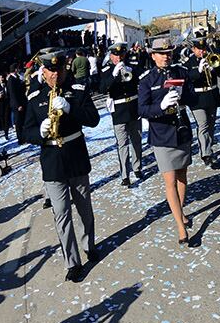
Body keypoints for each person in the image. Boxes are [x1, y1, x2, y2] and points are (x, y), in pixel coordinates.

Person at [22, 50, 100, 283]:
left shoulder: (77, 90)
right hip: (52, 162)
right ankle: (72, 263)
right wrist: (40, 132)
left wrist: (70, 108)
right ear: (43, 71)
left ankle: (89, 245)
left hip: (75, 156)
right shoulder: (34, 96)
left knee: (84, 209)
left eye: (60, 70)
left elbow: (93, 119)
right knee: (61, 214)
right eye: (51, 71)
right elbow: (25, 132)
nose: (56, 75)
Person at [138, 36, 195, 246]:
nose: (166, 57)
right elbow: (142, 109)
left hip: (181, 131)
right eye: (161, 54)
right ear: (153, 56)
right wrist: (160, 106)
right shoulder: (147, 80)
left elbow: (193, 99)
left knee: (182, 176)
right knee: (170, 180)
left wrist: (184, 95)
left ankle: (180, 212)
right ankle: (180, 226)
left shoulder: (181, 72)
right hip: (162, 134)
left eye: (169, 53)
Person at [100, 42, 143, 187]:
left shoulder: (131, 65)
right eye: (116, 55)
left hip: (133, 107)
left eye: (121, 55)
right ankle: (125, 174)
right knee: (122, 144)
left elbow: (140, 80)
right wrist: (113, 74)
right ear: (111, 56)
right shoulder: (106, 70)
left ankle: (137, 167)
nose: (119, 58)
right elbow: (102, 88)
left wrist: (132, 71)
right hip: (118, 110)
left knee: (136, 140)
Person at [184, 36, 220, 169]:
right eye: (199, 49)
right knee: (202, 125)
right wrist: (199, 71)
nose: (202, 52)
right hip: (197, 99)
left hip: (212, 96)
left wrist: (216, 68)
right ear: (193, 49)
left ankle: (209, 147)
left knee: (211, 125)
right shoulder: (189, 62)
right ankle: (206, 154)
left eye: (203, 48)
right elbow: (187, 79)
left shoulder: (212, 57)